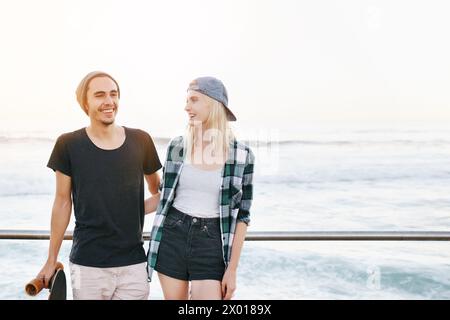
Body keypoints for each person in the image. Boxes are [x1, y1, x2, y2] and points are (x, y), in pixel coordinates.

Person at [37, 71, 162, 300]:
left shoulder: (141, 140)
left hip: (134, 264)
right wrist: (50, 260)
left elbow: (160, 193)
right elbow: (63, 203)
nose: (108, 101)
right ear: (85, 102)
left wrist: (131, 207)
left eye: (113, 94)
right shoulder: (68, 144)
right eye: (100, 95)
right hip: (88, 264)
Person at [147, 76, 255, 300]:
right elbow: (163, 197)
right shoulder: (178, 146)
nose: (186, 107)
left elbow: (242, 216)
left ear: (213, 104)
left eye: (193, 100)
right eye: (187, 100)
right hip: (172, 235)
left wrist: (232, 270)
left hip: (211, 242)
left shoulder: (242, 155)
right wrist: (119, 210)